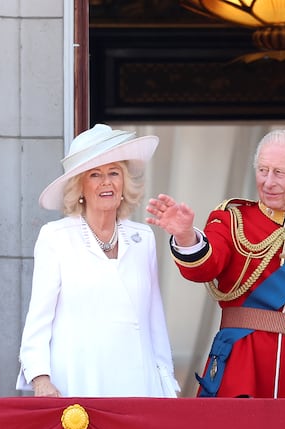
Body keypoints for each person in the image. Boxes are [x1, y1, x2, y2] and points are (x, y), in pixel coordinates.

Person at [146, 126, 285, 398]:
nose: (268, 182)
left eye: (279, 173)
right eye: (262, 170)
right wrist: (187, 236)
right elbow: (205, 267)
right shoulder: (232, 220)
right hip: (242, 371)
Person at [16, 124, 179, 397]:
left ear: (124, 182)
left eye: (114, 172)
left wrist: (166, 382)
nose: (106, 182)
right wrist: (40, 379)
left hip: (139, 385)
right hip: (79, 382)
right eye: (95, 174)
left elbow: (154, 320)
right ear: (79, 185)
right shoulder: (56, 237)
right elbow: (38, 320)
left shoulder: (143, 238)